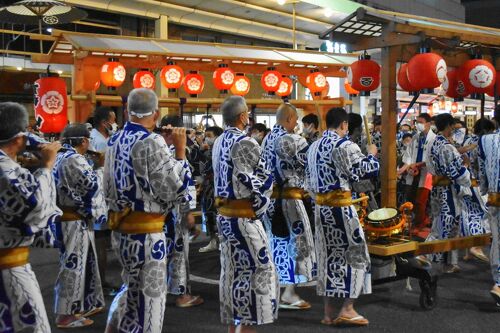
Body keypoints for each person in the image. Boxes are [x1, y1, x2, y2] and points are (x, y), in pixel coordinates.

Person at [104, 88, 192, 333]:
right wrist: (181, 152)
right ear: (155, 114)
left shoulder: (114, 140)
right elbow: (172, 190)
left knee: (131, 287)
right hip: (147, 235)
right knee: (150, 302)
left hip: (121, 230)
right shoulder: (150, 141)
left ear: (126, 112)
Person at [306, 107, 379, 326]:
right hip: (341, 209)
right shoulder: (344, 145)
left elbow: (307, 183)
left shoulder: (313, 147)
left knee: (328, 258)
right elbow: (364, 171)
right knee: (356, 255)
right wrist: (372, 155)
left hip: (321, 209)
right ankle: (347, 308)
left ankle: (328, 312)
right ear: (344, 125)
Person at [213, 96, 278, 333]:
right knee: (259, 269)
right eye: (247, 113)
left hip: (224, 216)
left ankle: (233, 327)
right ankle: (246, 328)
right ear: (242, 116)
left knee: (232, 271)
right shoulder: (245, 142)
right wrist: (262, 202)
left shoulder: (219, 140)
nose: (248, 116)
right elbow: (256, 178)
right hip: (242, 217)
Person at [0, 102, 61, 332]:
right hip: (9, 268)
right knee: (33, 326)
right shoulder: (6, 169)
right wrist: (46, 166)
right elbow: (35, 207)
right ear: (18, 138)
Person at [261, 103, 316, 309]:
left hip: (271, 200)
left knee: (276, 244)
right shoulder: (296, 140)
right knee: (298, 243)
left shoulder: (266, 139)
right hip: (291, 198)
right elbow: (308, 165)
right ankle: (290, 291)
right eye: (296, 120)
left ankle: (276, 289)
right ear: (290, 119)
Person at [52, 123, 106, 328]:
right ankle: (65, 314)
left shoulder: (58, 157)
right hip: (73, 220)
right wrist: (100, 168)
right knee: (72, 266)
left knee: (80, 263)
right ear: (83, 141)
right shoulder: (74, 159)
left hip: (67, 218)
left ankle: (80, 305)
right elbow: (92, 187)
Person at [159, 115, 203, 308]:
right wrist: (187, 213)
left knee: (163, 253)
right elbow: (182, 186)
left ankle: (162, 290)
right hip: (174, 211)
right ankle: (181, 294)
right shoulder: (175, 152)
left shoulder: (155, 149)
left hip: (157, 213)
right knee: (178, 253)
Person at [425, 113, 471, 273]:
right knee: (446, 223)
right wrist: (466, 165)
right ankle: (425, 255)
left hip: (437, 188)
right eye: (453, 126)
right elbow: (456, 172)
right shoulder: (446, 146)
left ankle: (450, 263)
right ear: (449, 125)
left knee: (443, 223)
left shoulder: (432, 142)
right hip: (447, 191)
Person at [89, 106, 118, 296]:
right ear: (104, 122)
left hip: (99, 195)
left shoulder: (99, 137)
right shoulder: (98, 141)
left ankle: (99, 281)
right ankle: (100, 283)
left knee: (101, 240)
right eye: (113, 120)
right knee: (99, 240)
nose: (114, 124)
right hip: (98, 196)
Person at [459, 119, 494, 262]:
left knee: (470, 214)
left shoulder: (468, 140)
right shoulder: (485, 142)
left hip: (468, 182)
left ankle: (470, 249)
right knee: (485, 213)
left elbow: (460, 153)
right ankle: (476, 246)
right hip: (479, 184)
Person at [478, 106, 500, 305]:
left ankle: (499, 283)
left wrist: (485, 188)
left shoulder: (485, 140)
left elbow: (481, 169)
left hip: (496, 198)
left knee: (498, 240)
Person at [402, 113, 436, 228]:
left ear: (429, 123)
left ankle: (419, 225)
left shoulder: (434, 139)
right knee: (409, 199)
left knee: (421, 201)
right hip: (412, 172)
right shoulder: (416, 137)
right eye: (417, 122)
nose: (418, 125)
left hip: (426, 173)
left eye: (421, 122)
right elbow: (408, 155)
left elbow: (432, 158)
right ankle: (412, 223)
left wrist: (418, 165)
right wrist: (407, 167)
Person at [199, 126, 224, 253]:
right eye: (206, 136)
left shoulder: (221, 150)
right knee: (208, 213)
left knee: (219, 213)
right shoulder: (206, 150)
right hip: (208, 185)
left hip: (219, 186)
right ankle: (213, 240)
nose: (206, 138)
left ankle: (222, 241)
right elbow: (200, 167)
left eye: (209, 135)